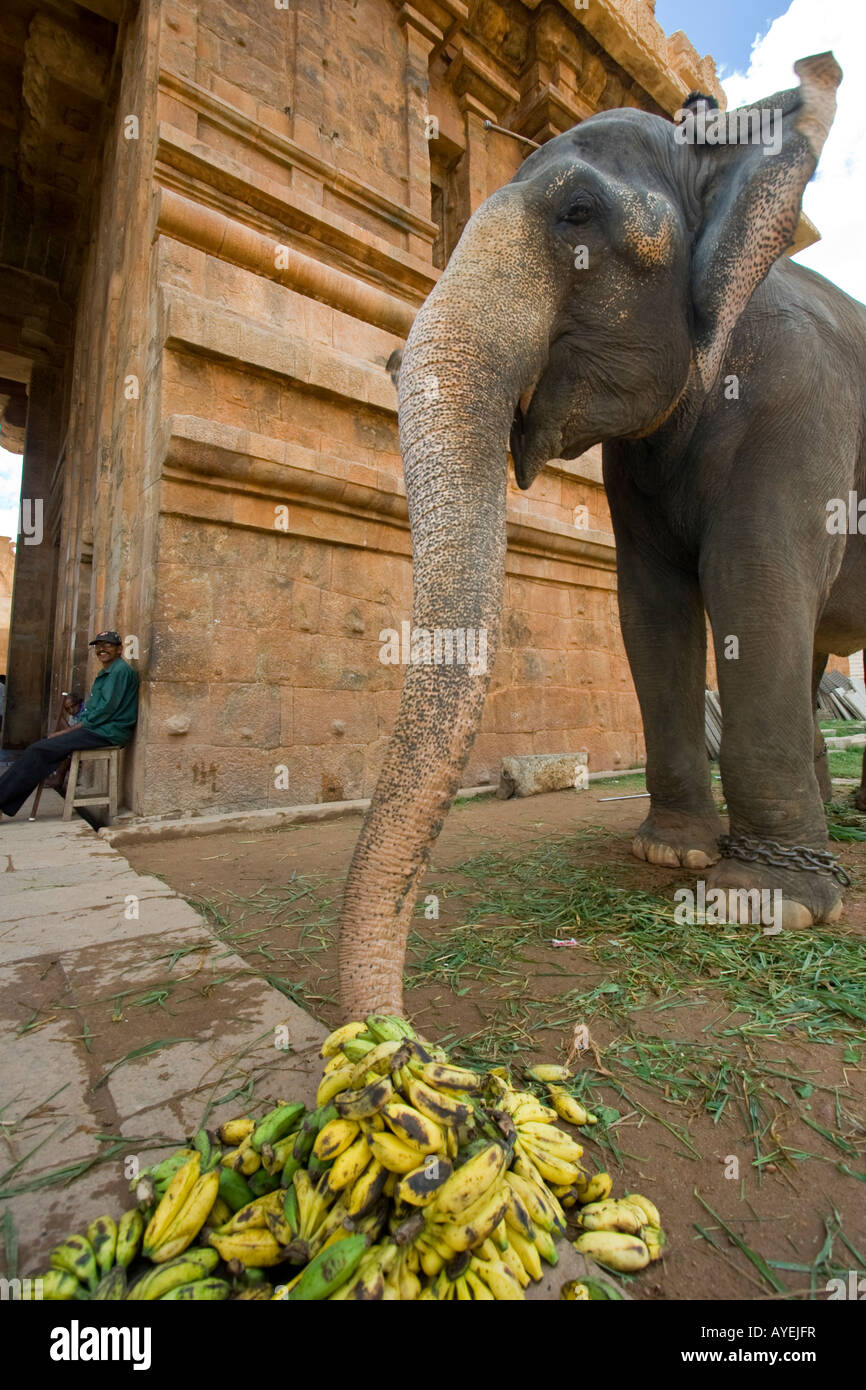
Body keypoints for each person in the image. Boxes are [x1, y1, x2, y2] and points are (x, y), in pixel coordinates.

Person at [0, 631, 138, 819]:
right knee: (41, 750)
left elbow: (106, 709)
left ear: (119, 649)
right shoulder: (108, 671)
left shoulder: (119, 671)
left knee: (38, 750)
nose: (102, 649)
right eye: (98, 646)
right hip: (97, 728)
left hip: (107, 731)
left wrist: (71, 730)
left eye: (107, 645)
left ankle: (2, 801)